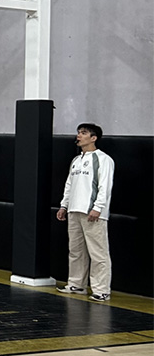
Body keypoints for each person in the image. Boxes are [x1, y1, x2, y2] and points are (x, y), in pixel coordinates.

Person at [56, 123, 115, 302]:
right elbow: (69, 185)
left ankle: (101, 290)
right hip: (74, 211)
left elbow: (105, 185)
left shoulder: (103, 159)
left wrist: (97, 207)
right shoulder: (76, 160)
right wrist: (64, 206)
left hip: (92, 212)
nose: (79, 136)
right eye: (78, 133)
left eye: (83, 133)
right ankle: (76, 284)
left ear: (93, 138)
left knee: (98, 252)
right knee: (75, 251)